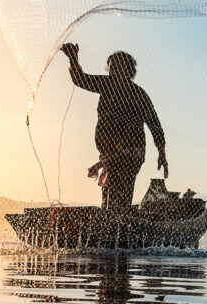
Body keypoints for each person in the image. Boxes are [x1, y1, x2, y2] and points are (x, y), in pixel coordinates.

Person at [61, 42, 167, 210]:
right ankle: (111, 225)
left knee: (119, 197)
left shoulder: (139, 94)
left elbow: (154, 124)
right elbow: (80, 79)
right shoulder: (106, 84)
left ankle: (119, 226)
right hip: (110, 153)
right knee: (109, 196)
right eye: (110, 67)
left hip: (130, 154)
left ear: (128, 71)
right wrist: (73, 57)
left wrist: (162, 154)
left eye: (117, 67)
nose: (112, 71)